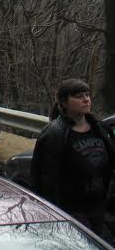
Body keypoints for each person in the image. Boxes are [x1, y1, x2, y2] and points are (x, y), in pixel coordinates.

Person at [31, 79, 115, 237]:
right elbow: (45, 180)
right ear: (64, 102)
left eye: (87, 95)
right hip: (71, 212)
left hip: (98, 208)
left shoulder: (99, 128)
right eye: (78, 96)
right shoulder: (54, 134)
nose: (86, 99)